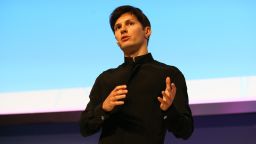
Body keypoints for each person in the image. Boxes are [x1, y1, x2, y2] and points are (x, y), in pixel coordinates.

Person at [80, 5, 194, 144]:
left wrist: (169, 110)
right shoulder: (106, 78)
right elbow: (84, 128)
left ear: (147, 31)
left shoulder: (168, 74)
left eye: (130, 23)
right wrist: (103, 108)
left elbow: (186, 130)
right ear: (116, 40)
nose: (123, 29)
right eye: (117, 27)